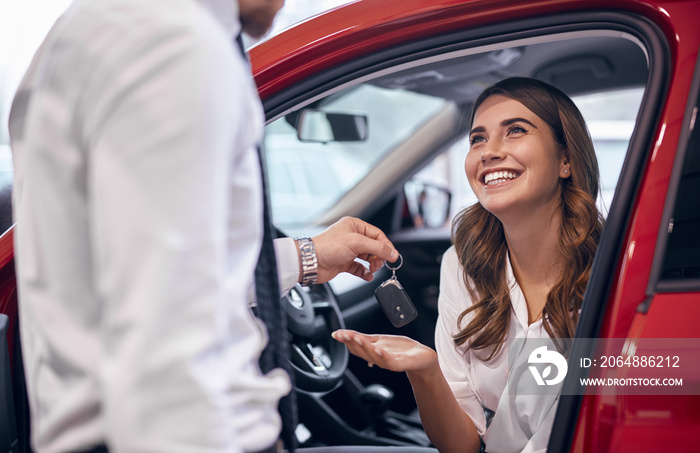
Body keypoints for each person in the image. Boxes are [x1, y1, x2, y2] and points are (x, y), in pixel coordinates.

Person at [8, 0, 398, 452]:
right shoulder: (175, 45)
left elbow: (175, 270)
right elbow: (169, 345)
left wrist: (306, 257)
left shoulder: (97, 29)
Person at [333, 77, 604, 453]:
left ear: (566, 160)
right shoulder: (462, 266)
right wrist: (425, 371)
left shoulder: (615, 271)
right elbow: (462, 446)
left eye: (515, 131)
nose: (488, 152)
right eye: (478, 138)